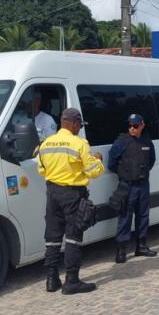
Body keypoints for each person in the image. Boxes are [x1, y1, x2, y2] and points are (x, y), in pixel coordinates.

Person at [37, 108, 105, 294]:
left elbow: (41, 170)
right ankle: (72, 281)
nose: (79, 128)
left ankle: (51, 280)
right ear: (75, 124)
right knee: (73, 237)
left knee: (52, 237)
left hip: (52, 193)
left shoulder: (46, 144)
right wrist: (98, 160)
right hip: (72, 194)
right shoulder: (79, 144)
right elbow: (93, 171)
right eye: (79, 125)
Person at [108, 114, 157, 263]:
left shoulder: (147, 141)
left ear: (142, 125)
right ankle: (121, 250)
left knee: (143, 216)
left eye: (135, 126)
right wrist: (125, 173)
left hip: (142, 184)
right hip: (127, 185)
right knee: (125, 217)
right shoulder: (121, 142)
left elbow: (151, 161)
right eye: (129, 125)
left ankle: (141, 246)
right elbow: (111, 163)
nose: (132, 128)